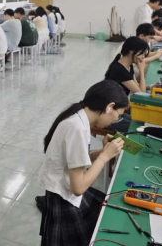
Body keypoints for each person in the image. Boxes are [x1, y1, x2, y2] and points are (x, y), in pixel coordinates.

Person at [38, 80, 127, 246]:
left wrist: (102, 151)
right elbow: (78, 188)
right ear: (110, 107)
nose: (116, 120)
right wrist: (105, 156)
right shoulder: (76, 128)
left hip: (62, 192)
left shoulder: (79, 118)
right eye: (119, 115)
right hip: (63, 197)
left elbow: (77, 159)